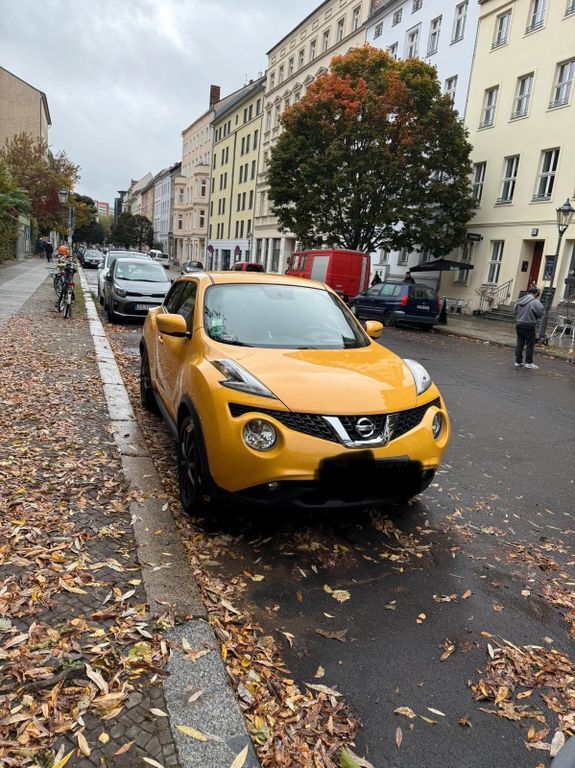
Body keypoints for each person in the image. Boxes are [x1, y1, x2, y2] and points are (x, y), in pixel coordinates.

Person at [514, 286, 544, 369]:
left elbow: (515, 311)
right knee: (530, 345)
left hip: (519, 324)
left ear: (528, 292)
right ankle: (529, 363)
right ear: (536, 293)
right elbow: (541, 313)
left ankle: (518, 361)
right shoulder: (535, 302)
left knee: (520, 343)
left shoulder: (520, 300)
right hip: (529, 325)